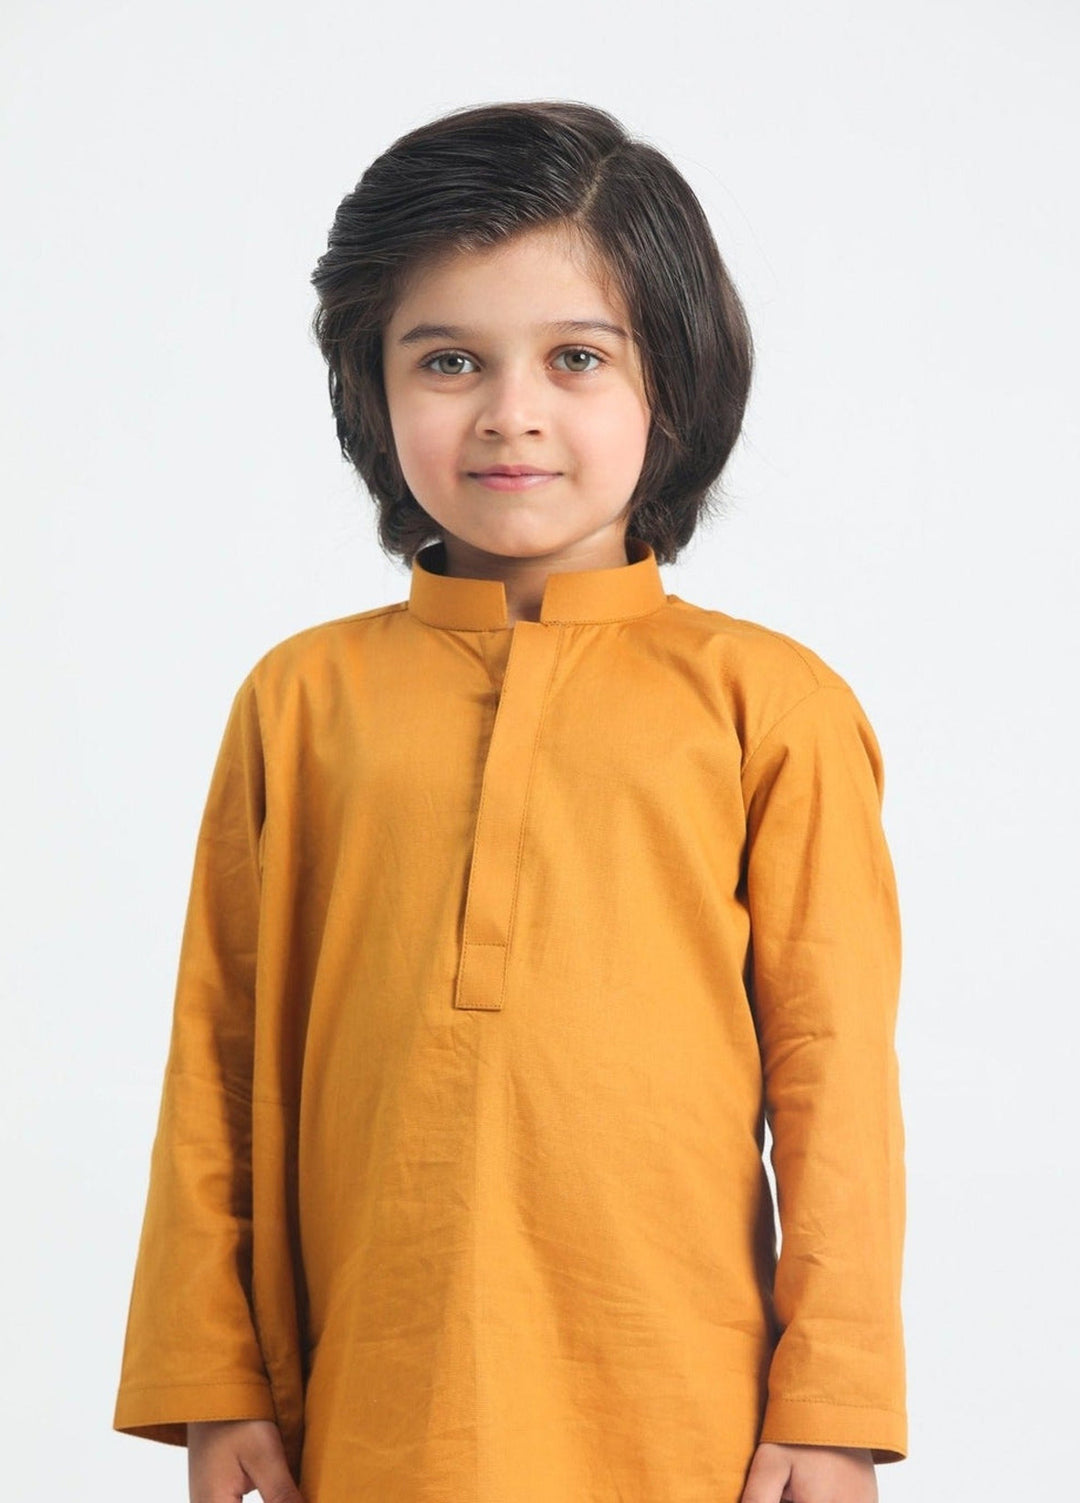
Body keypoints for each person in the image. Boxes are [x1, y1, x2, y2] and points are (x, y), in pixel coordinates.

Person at [111, 100, 908, 1503]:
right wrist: (212, 1375)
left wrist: (832, 1405)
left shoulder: (768, 705)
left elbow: (834, 1080)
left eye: (577, 357)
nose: (510, 412)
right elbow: (217, 1056)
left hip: (686, 1413)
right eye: (449, 360)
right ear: (371, 387)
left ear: (676, 378)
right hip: (370, 1400)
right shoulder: (302, 701)